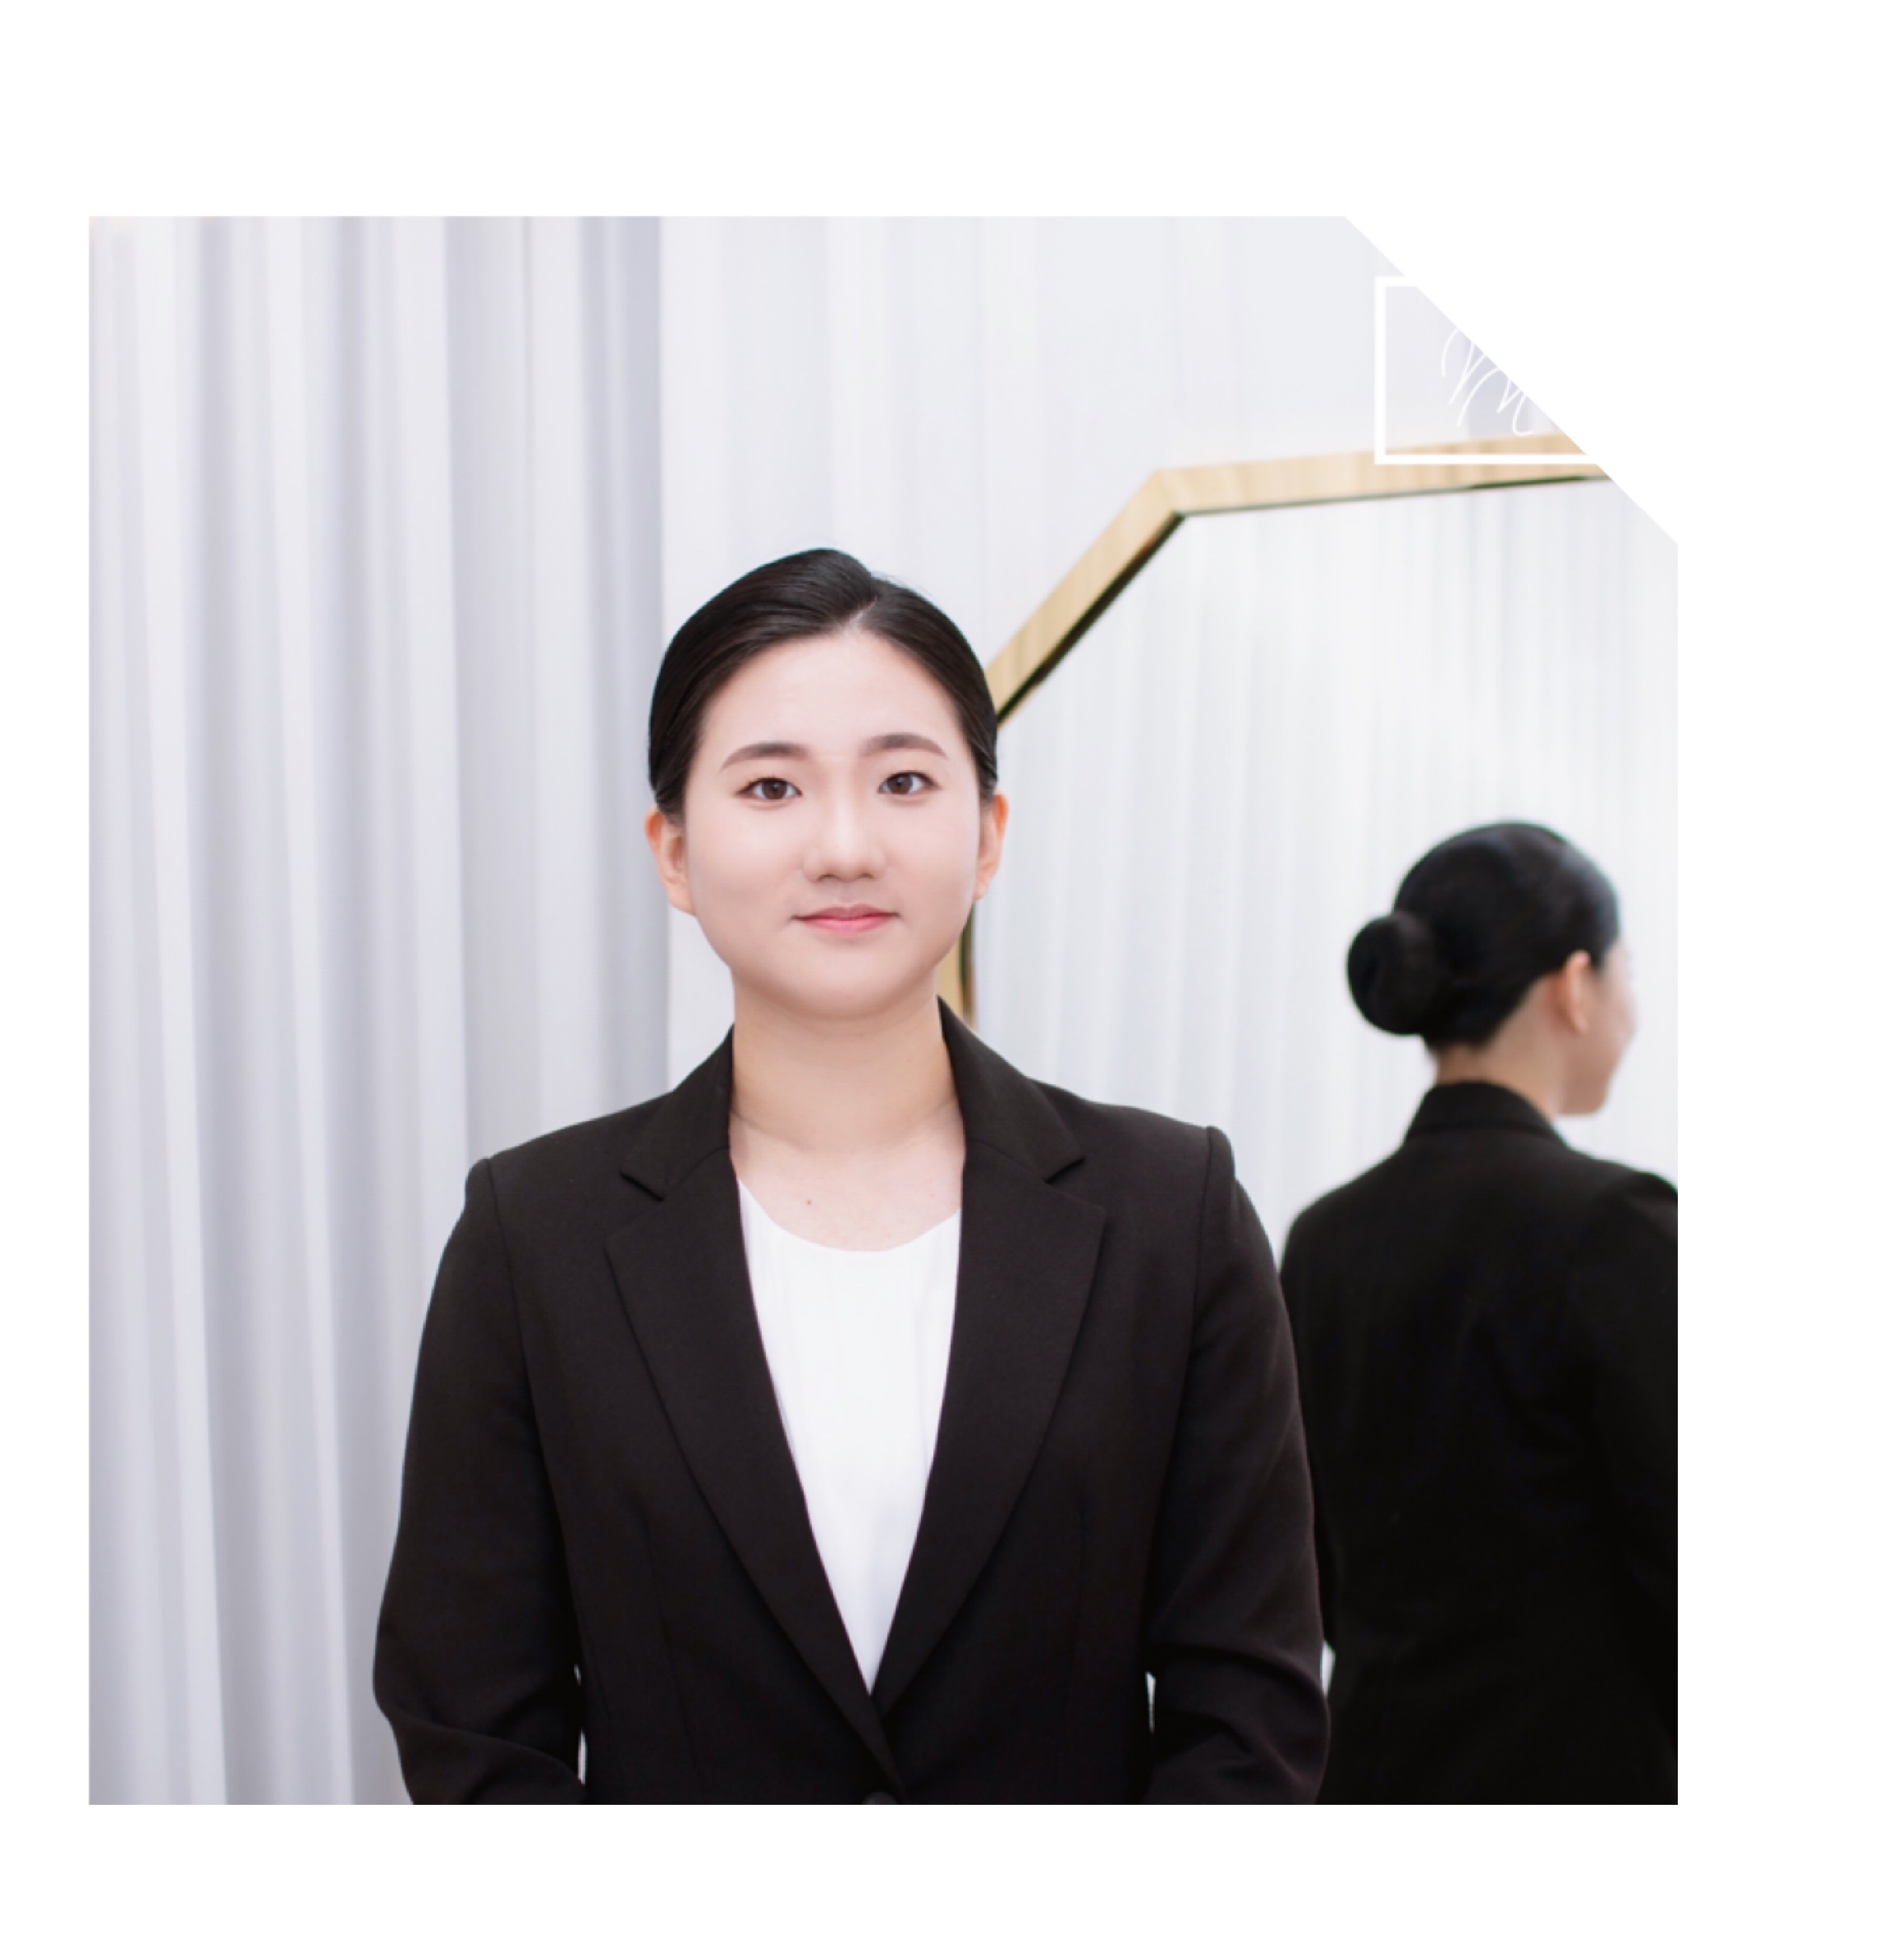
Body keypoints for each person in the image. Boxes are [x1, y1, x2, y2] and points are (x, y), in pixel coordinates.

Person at [375, 548, 1327, 1801]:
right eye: (771, 786)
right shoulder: (533, 1237)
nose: (843, 844)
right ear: (674, 851)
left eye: (904, 781)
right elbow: (474, 1729)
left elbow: (1249, 1715)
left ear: (987, 835)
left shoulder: (1172, 1213)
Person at [1279, 823, 1675, 1802]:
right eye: (1626, 973)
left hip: (1367, 1780)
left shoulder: (1323, 1237)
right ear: (1574, 985)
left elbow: (1311, 1572)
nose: (1633, 1009)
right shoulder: (1617, 1225)